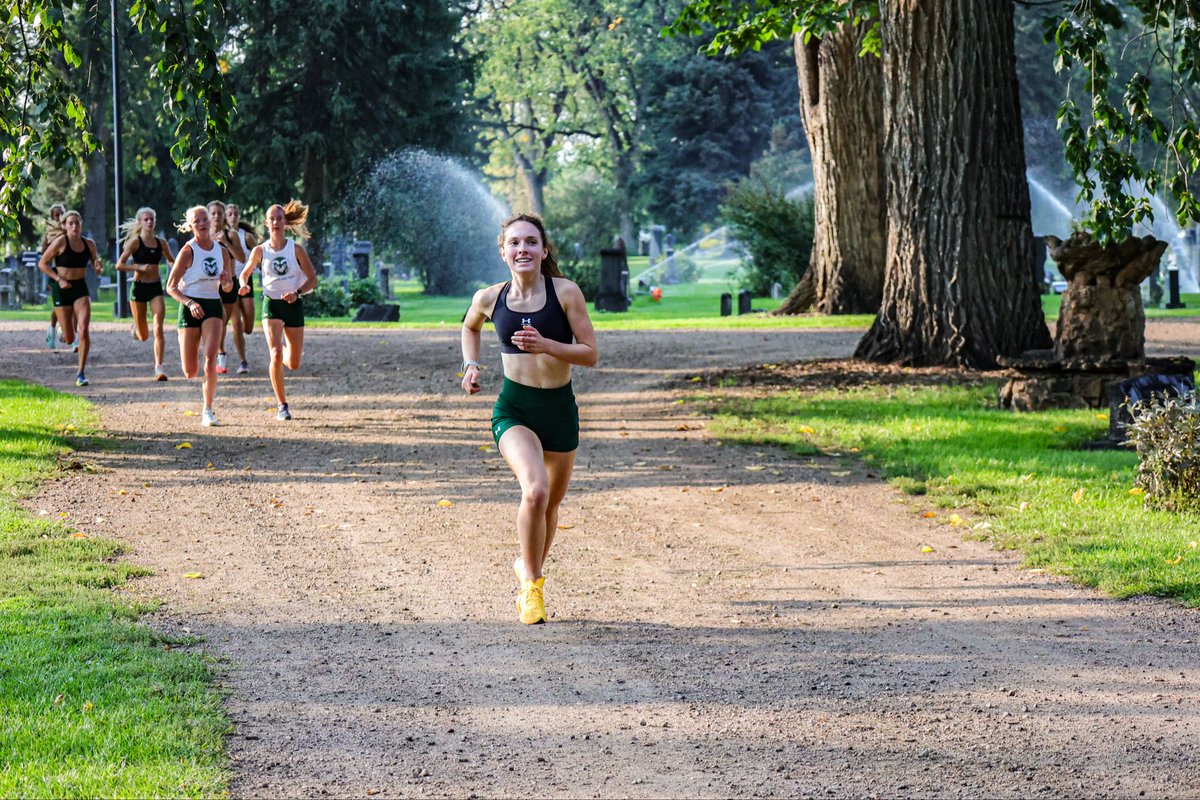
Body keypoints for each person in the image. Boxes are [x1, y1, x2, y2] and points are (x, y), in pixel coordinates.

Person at [460, 212, 599, 625]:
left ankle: (527, 567)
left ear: (544, 249)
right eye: (515, 243)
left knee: (551, 505)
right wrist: (470, 365)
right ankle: (532, 587)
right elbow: (469, 328)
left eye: (531, 242)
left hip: (559, 410)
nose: (523, 249)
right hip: (514, 409)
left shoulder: (565, 293)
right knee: (535, 492)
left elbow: (591, 352)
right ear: (503, 251)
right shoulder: (489, 298)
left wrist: (547, 345)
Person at [239, 201, 318, 421]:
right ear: (266, 223)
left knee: (293, 363)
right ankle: (282, 405)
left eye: (279, 218)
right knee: (274, 353)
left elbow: (313, 279)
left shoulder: (296, 249)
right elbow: (244, 274)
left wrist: (297, 293)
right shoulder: (259, 251)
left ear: (285, 222)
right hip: (271, 304)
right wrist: (243, 285)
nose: (275, 222)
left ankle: (283, 352)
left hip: (293, 305)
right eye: (271, 219)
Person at [166, 206, 234, 426]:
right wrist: (190, 302)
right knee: (190, 370)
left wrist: (226, 281)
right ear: (190, 225)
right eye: (197, 221)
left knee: (210, 359)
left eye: (205, 219)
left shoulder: (222, 251)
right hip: (190, 304)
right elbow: (171, 287)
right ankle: (183, 338)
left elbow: (228, 286)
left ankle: (208, 409)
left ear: (211, 222)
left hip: (213, 304)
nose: (203, 223)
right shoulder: (187, 251)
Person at [37, 210, 103, 386]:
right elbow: (42, 263)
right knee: (68, 337)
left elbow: (96, 266)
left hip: (80, 289)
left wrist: (98, 267)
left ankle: (81, 373)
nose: (75, 226)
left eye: (77, 223)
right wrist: (59, 279)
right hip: (62, 289)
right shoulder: (60, 242)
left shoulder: (89, 244)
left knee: (84, 330)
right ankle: (61, 330)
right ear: (65, 226)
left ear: (81, 225)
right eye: (71, 223)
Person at [115, 207, 175, 380]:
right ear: (140, 222)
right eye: (146, 219)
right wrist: (138, 267)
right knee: (143, 336)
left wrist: (181, 272)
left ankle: (159, 368)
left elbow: (171, 261)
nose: (149, 222)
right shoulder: (135, 242)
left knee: (158, 329)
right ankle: (136, 327)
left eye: (152, 219)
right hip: (139, 287)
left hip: (155, 287)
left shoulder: (161, 243)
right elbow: (119, 265)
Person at [224, 203, 259, 374]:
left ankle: (244, 337)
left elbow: (260, 255)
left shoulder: (247, 237)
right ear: (225, 216)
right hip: (230, 281)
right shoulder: (219, 235)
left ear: (239, 216)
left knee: (249, 326)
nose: (232, 217)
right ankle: (242, 361)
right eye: (229, 214)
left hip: (245, 281)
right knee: (236, 322)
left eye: (235, 214)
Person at [40, 204, 66, 350]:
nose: (59, 216)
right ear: (52, 217)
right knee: (59, 304)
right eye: (57, 214)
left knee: (73, 303)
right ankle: (52, 329)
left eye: (62, 213)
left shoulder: (71, 229)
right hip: (56, 272)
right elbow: (44, 255)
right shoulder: (50, 234)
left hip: (71, 271)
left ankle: (67, 331)